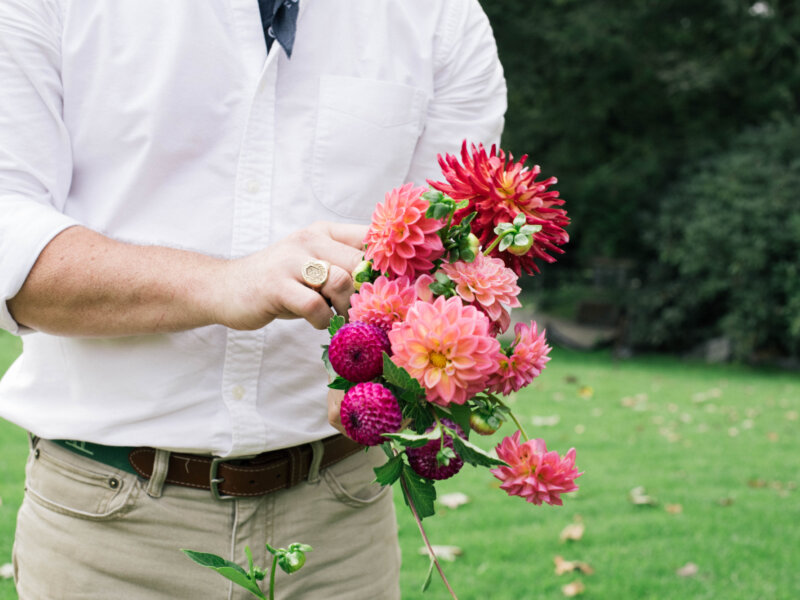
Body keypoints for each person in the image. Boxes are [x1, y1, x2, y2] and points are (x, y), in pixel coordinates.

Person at [0, 1, 506, 598]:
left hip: (342, 528)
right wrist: (221, 283)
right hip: (111, 535)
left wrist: (414, 368)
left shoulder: (437, 14)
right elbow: (13, 250)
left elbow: (459, 258)